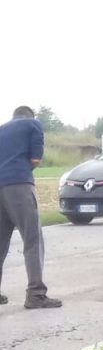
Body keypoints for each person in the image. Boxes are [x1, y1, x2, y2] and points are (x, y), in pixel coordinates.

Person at [0, 106, 60, 309]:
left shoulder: (1, 129)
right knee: (32, 239)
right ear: (30, 115)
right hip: (20, 186)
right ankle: (35, 294)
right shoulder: (33, 125)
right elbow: (35, 159)